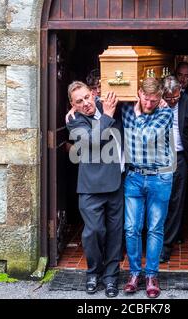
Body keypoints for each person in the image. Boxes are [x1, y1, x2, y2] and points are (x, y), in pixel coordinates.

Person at [65, 81, 125, 298]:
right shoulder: (74, 120)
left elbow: (138, 97)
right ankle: (93, 272)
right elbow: (91, 141)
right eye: (79, 101)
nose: (85, 103)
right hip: (90, 186)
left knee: (115, 233)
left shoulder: (107, 104)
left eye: (87, 97)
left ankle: (111, 277)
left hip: (115, 183)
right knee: (93, 232)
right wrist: (108, 116)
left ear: (93, 94)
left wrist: (163, 101)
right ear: (73, 104)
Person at [121, 78, 174, 299]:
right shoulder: (124, 107)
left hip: (160, 177)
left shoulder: (166, 113)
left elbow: (147, 137)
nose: (150, 104)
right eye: (146, 98)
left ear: (160, 97)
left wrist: (138, 112)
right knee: (131, 228)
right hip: (133, 176)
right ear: (139, 92)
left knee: (154, 228)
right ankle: (134, 273)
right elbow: (97, 101)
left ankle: (151, 275)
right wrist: (72, 111)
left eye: (154, 100)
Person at [160, 76, 188, 263]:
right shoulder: (156, 103)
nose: (172, 101)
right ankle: (155, 239)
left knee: (176, 201)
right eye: (168, 98)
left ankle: (167, 244)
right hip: (159, 158)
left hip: (180, 157)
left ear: (181, 91)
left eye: (175, 98)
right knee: (160, 199)